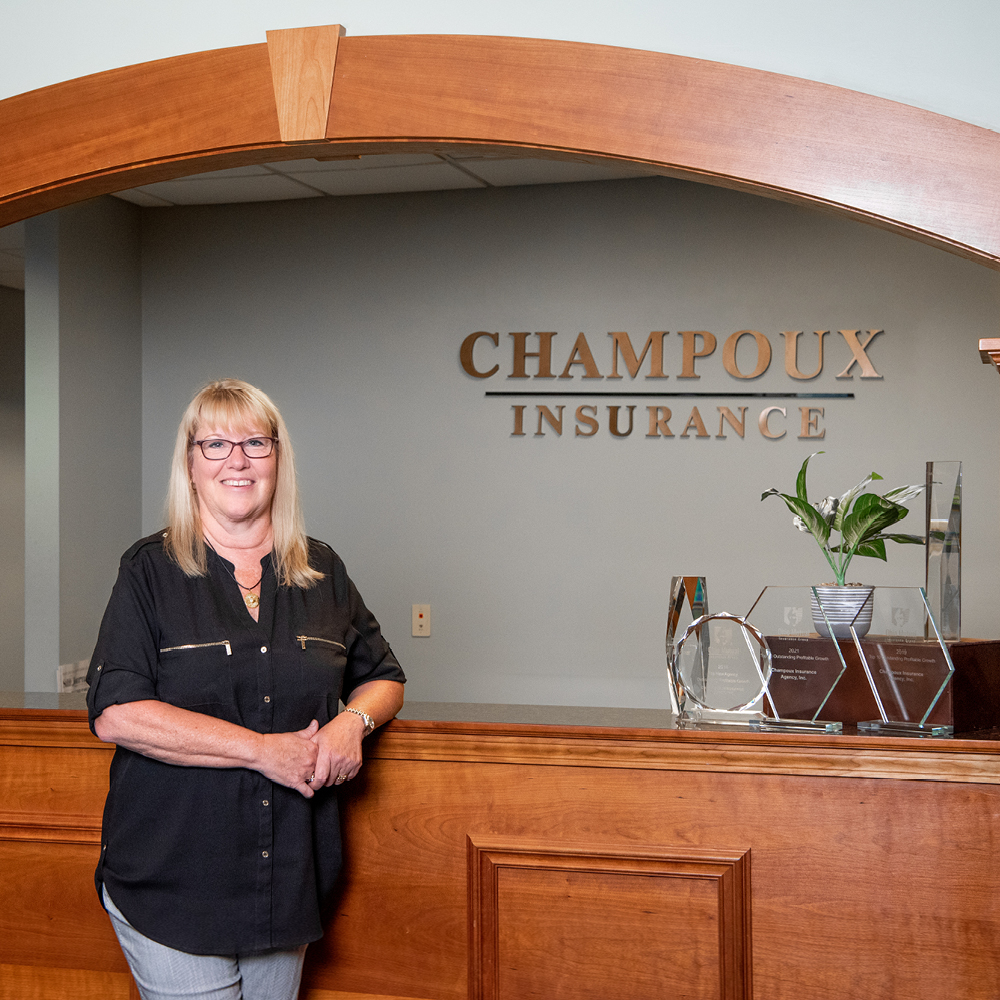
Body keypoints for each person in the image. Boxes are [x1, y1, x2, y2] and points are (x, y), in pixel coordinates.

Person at [86, 379, 405, 1000]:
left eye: (255, 442)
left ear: (277, 458)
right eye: (215, 445)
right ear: (190, 463)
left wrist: (352, 723)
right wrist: (263, 750)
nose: (237, 460)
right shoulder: (148, 571)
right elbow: (117, 713)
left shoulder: (323, 570)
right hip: (172, 879)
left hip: (285, 880)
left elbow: (385, 678)